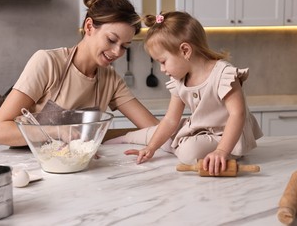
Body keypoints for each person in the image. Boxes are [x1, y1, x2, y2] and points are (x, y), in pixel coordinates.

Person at [0, 0, 159, 146]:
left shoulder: (111, 80)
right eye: (111, 40)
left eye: (124, 46)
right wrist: (57, 132)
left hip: (78, 169)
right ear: (89, 27)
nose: (117, 52)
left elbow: (154, 128)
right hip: (34, 169)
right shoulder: (48, 63)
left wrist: (180, 121)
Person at [106, 11, 263, 175]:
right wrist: (151, 148)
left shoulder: (223, 74)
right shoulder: (180, 79)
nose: (162, 69)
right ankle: (126, 138)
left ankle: (175, 145)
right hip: (201, 131)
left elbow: (237, 114)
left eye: (163, 62)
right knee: (158, 130)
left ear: (185, 50)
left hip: (226, 137)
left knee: (189, 152)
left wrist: (222, 151)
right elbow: (170, 120)